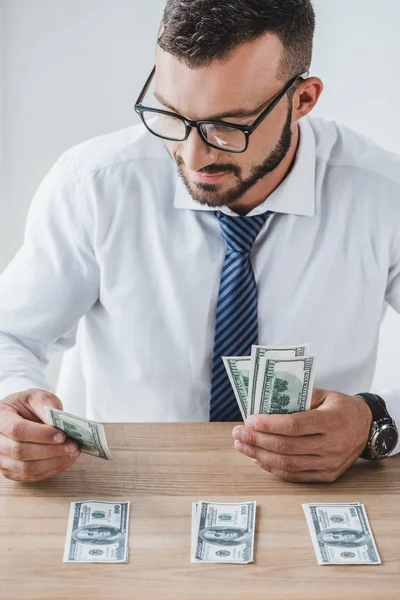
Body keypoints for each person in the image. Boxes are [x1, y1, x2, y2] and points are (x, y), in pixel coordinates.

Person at [0, 0, 399, 484]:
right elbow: (11, 335)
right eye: (170, 114)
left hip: (318, 490)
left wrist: (376, 418)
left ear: (303, 100)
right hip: (129, 485)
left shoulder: (383, 194)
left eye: (227, 125)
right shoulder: (94, 185)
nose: (192, 155)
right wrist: (11, 401)